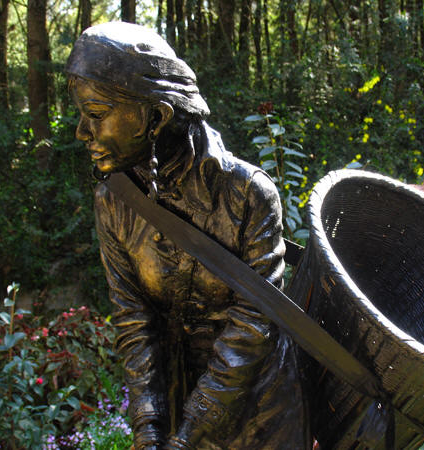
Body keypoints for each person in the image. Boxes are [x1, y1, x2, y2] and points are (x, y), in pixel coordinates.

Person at [66, 22, 309, 450]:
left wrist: (187, 437)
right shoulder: (114, 200)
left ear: (156, 117)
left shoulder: (247, 193)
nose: (82, 132)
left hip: (262, 415)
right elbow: (134, 320)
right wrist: (149, 428)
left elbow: (254, 325)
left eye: (97, 114)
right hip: (182, 402)